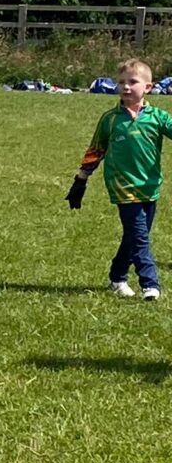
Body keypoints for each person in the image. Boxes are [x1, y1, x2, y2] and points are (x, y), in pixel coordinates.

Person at [66, 58, 172, 300]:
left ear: (148, 87)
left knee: (134, 236)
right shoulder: (110, 119)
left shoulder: (158, 117)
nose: (125, 87)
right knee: (140, 238)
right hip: (123, 186)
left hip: (150, 186)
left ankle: (117, 277)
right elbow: (96, 149)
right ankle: (150, 285)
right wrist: (81, 179)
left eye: (132, 82)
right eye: (121, 82)